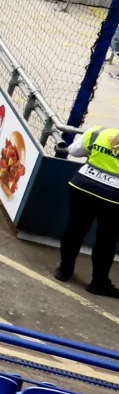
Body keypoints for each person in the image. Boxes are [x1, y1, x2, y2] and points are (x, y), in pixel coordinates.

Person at [60, 125, 119, 294]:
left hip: (82, 186)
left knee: (75, 229)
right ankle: (98, 283)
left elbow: (74, 151)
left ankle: (64, 271)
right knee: (106, 241)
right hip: (114, 198)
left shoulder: (99, 132)